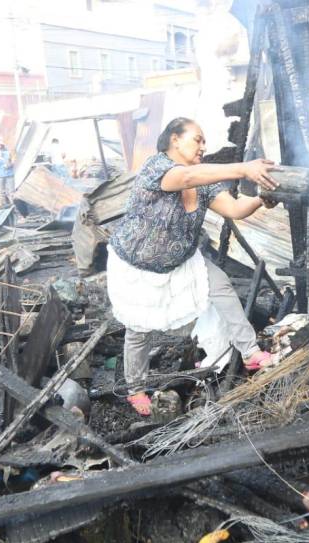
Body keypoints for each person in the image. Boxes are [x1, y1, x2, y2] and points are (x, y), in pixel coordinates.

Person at [107, 117, 280, 416]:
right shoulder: (156, 168)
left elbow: (235, 209)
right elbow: (184, 178)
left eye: (203, 141)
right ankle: (135, 388)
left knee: (220, 285)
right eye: (197, 139)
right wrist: (243, 168)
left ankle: (250, 352)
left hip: (182, 260)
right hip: (138, 265)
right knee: (139, 328)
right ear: (175, 139)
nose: (203, 146)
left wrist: (262, 200)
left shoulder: (204, 184)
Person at [0, 141, 15, 206]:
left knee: (11, 192)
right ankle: (1, 204)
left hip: (9, 175)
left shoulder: (9, 152)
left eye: (1, 145)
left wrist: (9, 165)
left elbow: (13, 162)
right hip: (0, 175)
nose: (0, 147)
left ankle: (14, 206)